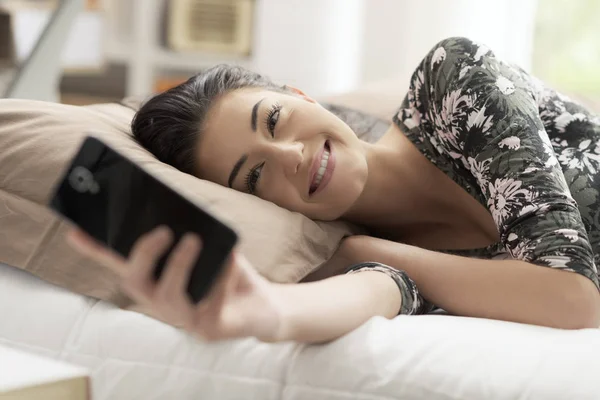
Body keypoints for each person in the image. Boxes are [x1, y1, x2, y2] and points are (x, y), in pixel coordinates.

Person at [67, 37, 600, 344]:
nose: (291, 157)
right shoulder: (351, 246)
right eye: (254, 176)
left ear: (300, 95)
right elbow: (369, 292)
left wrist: (366, 252)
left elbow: (573, 298)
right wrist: (265, 314)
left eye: (274, 120)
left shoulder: (453, 83)